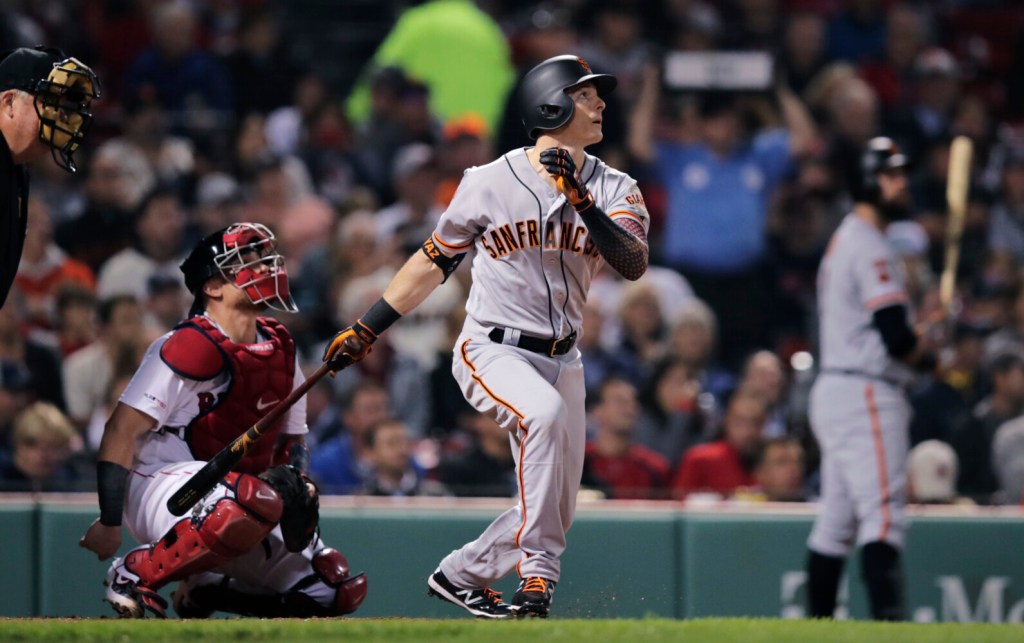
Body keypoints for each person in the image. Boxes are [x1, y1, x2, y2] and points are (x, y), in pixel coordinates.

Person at [323, 55, 649, 618]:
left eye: (599, 95)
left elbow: (633, 262)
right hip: (491, 346)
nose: (600, 103)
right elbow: (432, 262)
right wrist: (367, 326)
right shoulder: (488, 181)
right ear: (551, 103)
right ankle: (538, 580)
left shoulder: (617, 187)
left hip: (563, 358)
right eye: (587, 94)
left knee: (555, 505)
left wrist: (582, 202)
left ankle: (461, 573)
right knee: (542, 417)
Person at [78, 223, 367, 619]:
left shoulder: (279, 344)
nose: (265, 269)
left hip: (244, 502)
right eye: (246, 264)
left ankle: (208, 588)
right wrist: (110, 521)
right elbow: (120, 431)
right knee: (241, 502)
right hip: (160, 483)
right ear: (212, 287)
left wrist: (295, 491)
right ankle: (132, 573)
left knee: (331, 588)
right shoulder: (188, 344)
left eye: (265, 260)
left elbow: (292, 440)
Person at [805, 137, 936, 622]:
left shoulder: (853, 237)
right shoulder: (870, 244)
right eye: (891, 174)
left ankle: (816, 627)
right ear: (866, 180)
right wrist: (931, 349)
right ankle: (890, 624)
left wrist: (921, 333)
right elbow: (899, 340)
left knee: (837, 523)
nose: (902, 183)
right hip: (866, 392)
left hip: (842, 387)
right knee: (884, 516)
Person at [0, 46, 99, 308]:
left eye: (66, 107)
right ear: (9, 103)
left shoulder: (17, 167)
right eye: (51, 102)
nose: (63, 117)